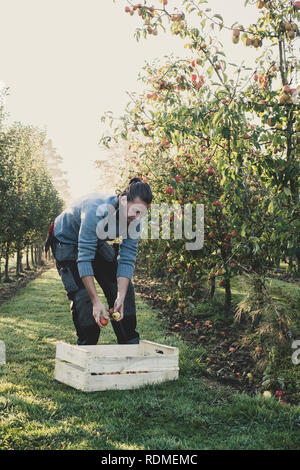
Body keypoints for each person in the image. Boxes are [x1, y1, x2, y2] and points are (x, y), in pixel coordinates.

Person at [45, 177, 152, 346]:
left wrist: (121, 296)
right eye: (136, 211)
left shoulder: (135, 221)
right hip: (66, 240)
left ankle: (130, 346)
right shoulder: (96, 211)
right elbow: (84, 257)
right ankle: (87, 350)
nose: (138, 217)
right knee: (83, 297)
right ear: (123, 201)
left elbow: (127, 259)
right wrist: (96, 300)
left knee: (123, 290)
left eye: (142, 213)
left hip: (96, 241)